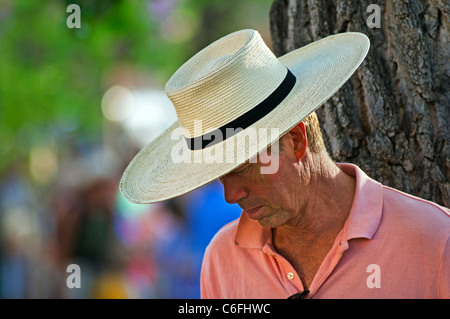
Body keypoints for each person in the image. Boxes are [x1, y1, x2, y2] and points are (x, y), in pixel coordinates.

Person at [120, 29, 449, 298]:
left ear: (296, 140)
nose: (230, 195)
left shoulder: (434, 241)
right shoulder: (223, 259)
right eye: (218, 176)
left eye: (241, 168)